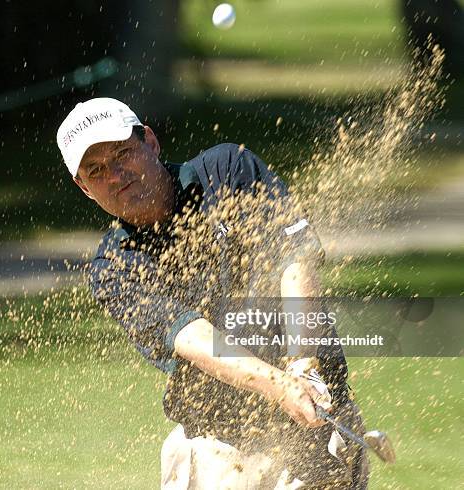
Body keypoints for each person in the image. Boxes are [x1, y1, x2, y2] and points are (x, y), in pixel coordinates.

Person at [57, 97, 369, 489]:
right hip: (214, 449)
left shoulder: (226, 172)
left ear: (150, 142)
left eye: (123, 153)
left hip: (313, 434)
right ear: (83, 186)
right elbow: (195, 338)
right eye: (96, 170)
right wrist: (281, 385)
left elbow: (294, 257)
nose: (116, 174)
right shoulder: (115, 267)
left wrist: (303, 365)